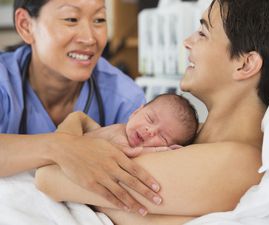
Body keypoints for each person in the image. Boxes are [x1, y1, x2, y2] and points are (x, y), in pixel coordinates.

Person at [35, 0, 269, 224]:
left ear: (245, 64)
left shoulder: (238, 160)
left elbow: (48, 177)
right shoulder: (186, 140)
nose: (187, 42)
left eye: (204, 33)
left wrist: (73, 137)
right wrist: (76, 127)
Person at [0, 0, 166, 216]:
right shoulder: (4, 82)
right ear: (26, 25)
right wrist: (60, 147)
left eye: (99, 19)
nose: (89, 38)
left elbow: (135, 187)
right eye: (71, 19)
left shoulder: (123, 98)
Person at [58, 93, 199, 158]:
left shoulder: (138, 152)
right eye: (150, 119)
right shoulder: (114, 131)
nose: (150, 131)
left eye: (163, 137)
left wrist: (168, 153)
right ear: (136, 111)